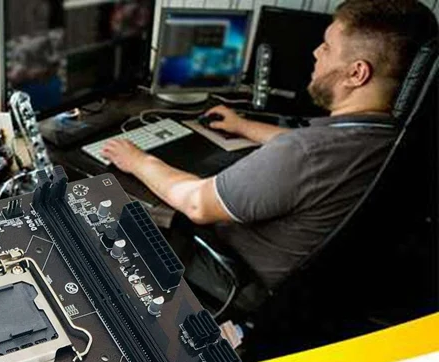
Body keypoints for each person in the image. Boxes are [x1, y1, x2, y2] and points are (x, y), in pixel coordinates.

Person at [101, 0, 438, 309]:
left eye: (327, 47)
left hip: (239, 281)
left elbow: (196, 204)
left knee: (111, 207)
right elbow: (313, 152)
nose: (316, 53)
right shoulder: (391, 138)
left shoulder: (305, 153)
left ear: (357, 73)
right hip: (320, 290)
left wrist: (138, 160)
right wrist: (244, 126)